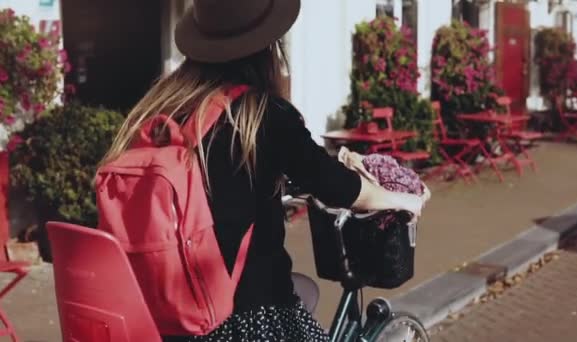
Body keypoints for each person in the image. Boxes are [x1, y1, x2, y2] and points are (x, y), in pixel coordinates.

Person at [101, 0, 429, 341]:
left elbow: (222, 182)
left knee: (306, 291)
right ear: (268, 48)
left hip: (157, 311)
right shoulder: (262, 115)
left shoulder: (162, 107)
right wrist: (404, 199)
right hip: (246, 321)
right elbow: (341, 189)